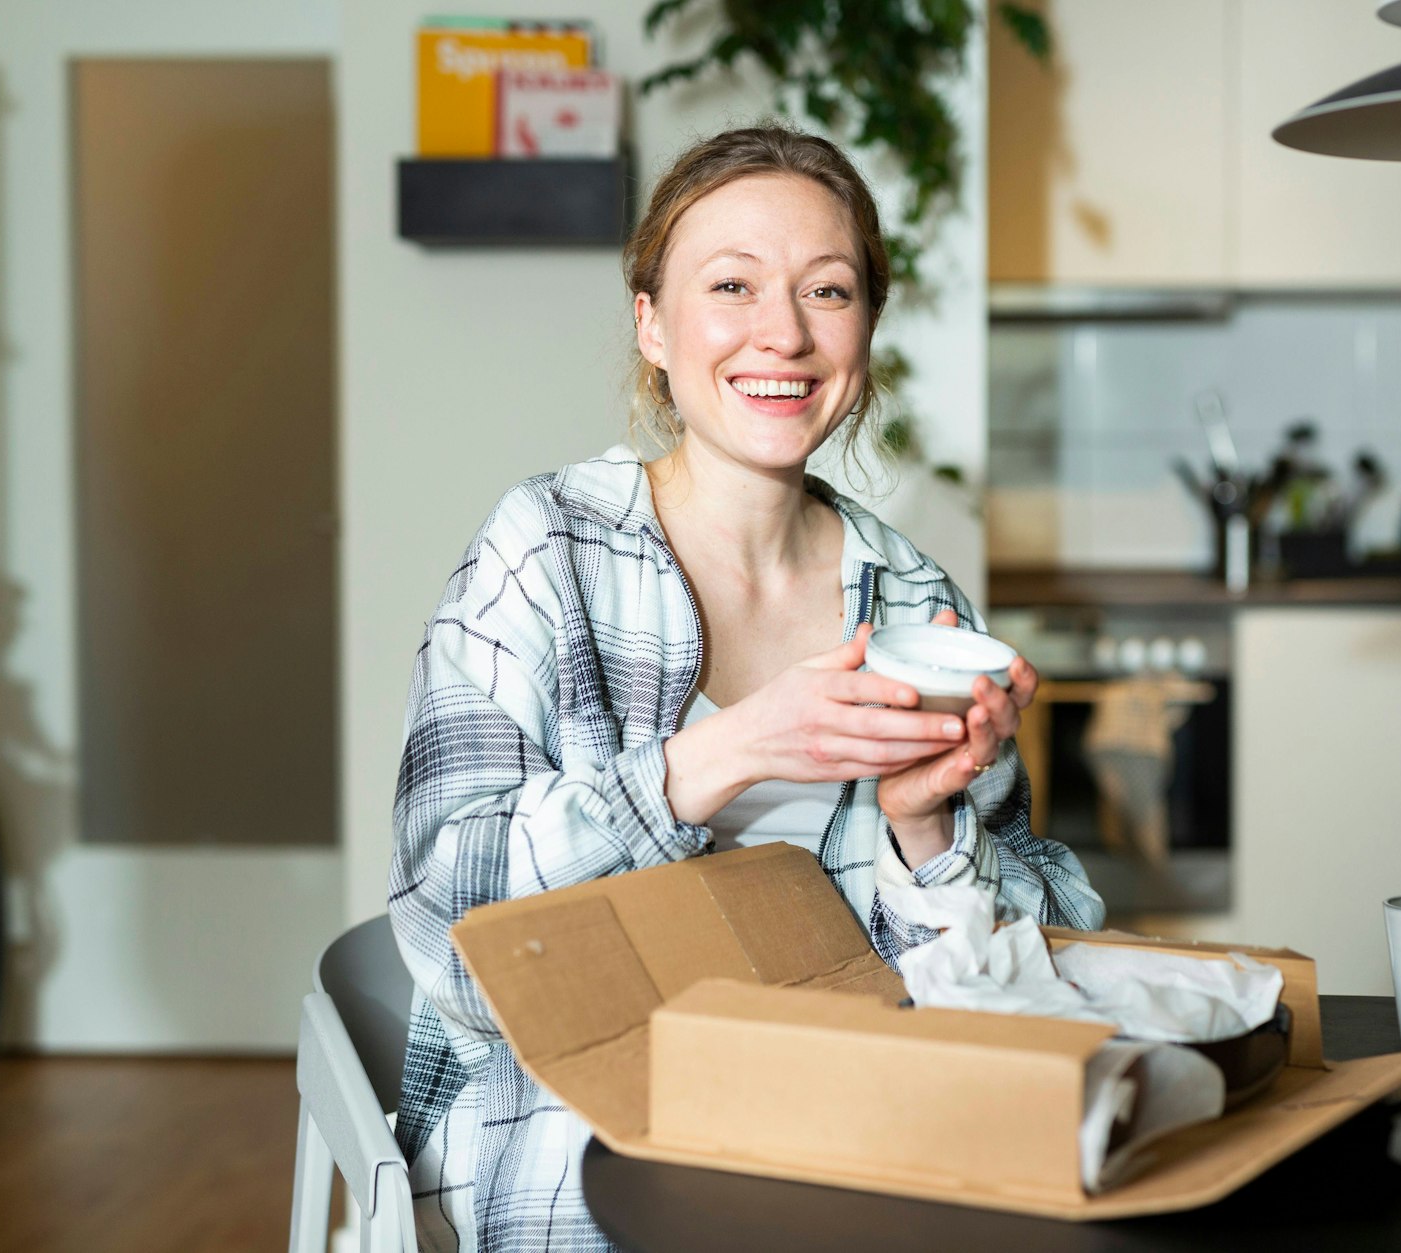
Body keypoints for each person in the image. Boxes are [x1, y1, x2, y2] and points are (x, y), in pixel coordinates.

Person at [387, 124, 1104, 1253]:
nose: (783, 333)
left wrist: (927, 831)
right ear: (653, 324)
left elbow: (1020, 979)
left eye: (828, 290)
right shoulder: (544, 549)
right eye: (731, 285)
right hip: (575, 1117)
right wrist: (720, 755)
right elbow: (444, 915)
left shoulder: (915, 604)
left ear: (865, 326)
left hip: (855, 1120)